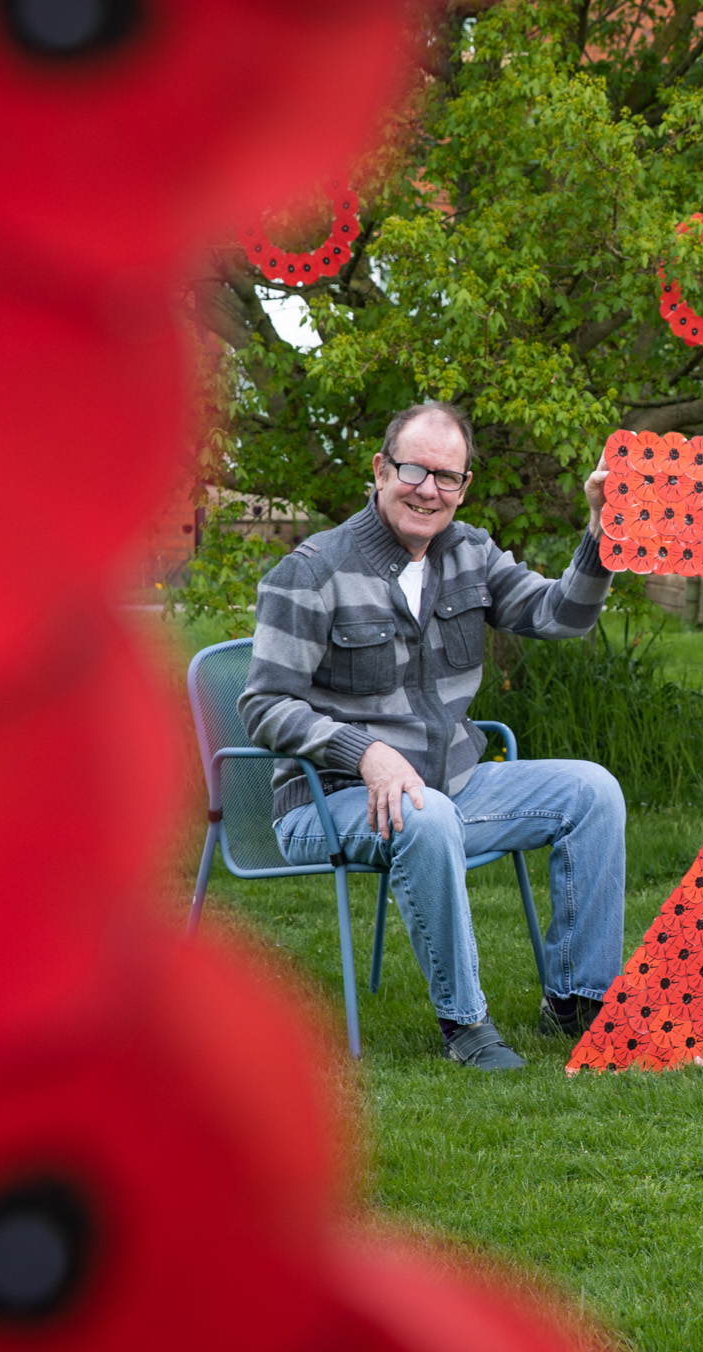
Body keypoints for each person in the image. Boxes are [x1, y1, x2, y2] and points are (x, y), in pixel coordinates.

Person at [241, 401, 625, 1071]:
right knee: (427, 816)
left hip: (454, 783)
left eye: (446, 476)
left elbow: (561, 615)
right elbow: (263, 704)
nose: (428, 488)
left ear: (464, 486)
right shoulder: (312, 569)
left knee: (592, 791)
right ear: (380, 469)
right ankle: (464, 1023)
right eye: (413, 469)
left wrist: (601, 531)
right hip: (328, 802)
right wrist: (366, 752)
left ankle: (577, 1001)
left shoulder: (469, 553)